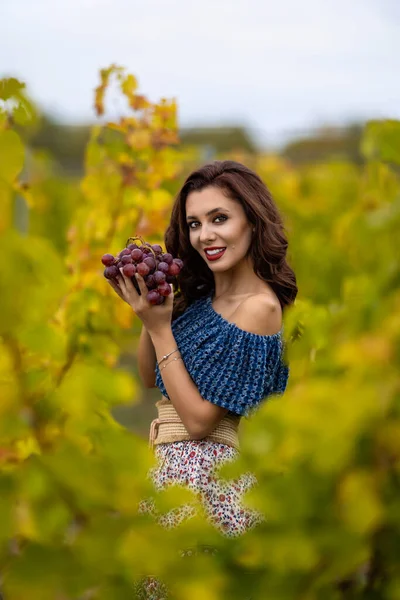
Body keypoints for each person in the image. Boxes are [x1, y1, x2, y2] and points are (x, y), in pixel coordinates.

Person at [108, 160, 297, 599]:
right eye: (194, 223)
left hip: (208, 487)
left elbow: (198, 422)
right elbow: (148, 377)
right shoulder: (201, 296)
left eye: (219, 219)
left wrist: (159, 330)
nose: (204, 236)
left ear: (252, 221)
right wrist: (149, 314)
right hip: (170, 478)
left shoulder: (259, 308)